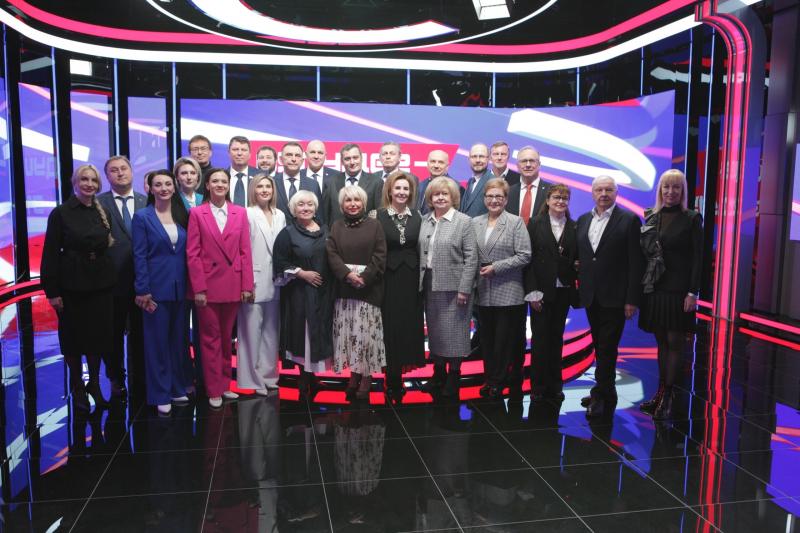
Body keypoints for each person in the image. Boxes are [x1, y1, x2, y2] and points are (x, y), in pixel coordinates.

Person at [41, 164, 117, 411]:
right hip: (72, 285)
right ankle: (77, 386)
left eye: (93, 180)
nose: (89, 184)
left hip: (101, 284)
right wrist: (52, 292)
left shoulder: (102, 210)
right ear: (75, 182)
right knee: (73, 339)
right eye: (84, 179)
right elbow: (50, 253)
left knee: (98, 338)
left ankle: (94, 384)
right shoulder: (61, 213)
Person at [577, 176, 645, 417]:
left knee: (607, 346)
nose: (603, 194)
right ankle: (607, 391)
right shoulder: (583, 220)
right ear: (592, 192)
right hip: (591, 295)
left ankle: (600, 395)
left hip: (616, 296)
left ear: (616, 193)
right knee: (600, 345)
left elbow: (636, 262)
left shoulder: (629, 220)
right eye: (599, 189)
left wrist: (632, 299)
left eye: (608, 189)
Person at [186, 168, 254, 408]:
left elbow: (245, 252)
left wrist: (247, 285)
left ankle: (225, 385)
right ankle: (213, 388)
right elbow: (192, 254)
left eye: (223, 181)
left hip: (233, 284)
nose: (219, 184)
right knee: (210, 339)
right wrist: (198, 288)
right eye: (215, 181)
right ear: (207, 185)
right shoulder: (197, 213)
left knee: (227, 338)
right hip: (207, 287)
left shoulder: (239, 212)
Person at [638, 169, 703, 420]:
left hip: (678, 291)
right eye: (666, 187)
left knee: (675, 343)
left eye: (676, 187)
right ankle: (660, 393)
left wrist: (693, 292)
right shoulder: (651, 216)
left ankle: (669, 397)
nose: (671, 192)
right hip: (655, 289)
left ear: (682, 191)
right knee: (662, 343)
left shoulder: (691, 218)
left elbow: (698, 259)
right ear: (660, 190)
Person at [132, 170, 192, 415]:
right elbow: (139, 255)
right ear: (150, 188)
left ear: (174, 187)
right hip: (155, 289)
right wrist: (142, 289)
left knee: (178, 342)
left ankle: (177, 387)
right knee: (157, 344)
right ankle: (160, 393)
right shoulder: (142, 217)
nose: (164, 188)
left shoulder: (182, 214)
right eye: (158, 184)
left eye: (168, 184)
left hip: (181, 288)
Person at [418, 176, 479, 398]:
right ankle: (438, 374)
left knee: (455, 334)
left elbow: (472, 258)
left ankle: (454, 376)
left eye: (445, 194)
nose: (440, 197)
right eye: (436, 194)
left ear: (453, 197)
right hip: (429, 284)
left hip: (456, 288)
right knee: (436, 333)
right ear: (430, 198)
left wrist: (465, 288)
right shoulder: (425, 220)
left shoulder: (464, 221)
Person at [326, 185, 388, 400]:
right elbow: (331, 254)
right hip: (344, 290)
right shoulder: (336, 226)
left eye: (357, 200)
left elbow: (380, 256)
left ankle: (366, 377)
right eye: (348, 200)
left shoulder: (375, 225)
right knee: (350, 337)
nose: (353, 204)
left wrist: (364, 278)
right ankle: (353, 376)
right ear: (341, 204)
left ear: (363, 203)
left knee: (366, 338)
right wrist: (347, 275)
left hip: (368, 290)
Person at [472, 178, 531, 399]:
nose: (494, 200)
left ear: (506, 200)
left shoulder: (515, 222)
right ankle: (490, 378)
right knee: (486, 340)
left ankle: (498, 381)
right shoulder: (475, 222)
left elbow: (524, 255)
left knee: (503, 342)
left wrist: (496, 267)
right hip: (482, 292)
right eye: (490, 196)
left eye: (499, 196)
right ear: (484, 199)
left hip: (508, 291)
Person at [273, 190, 334, 397]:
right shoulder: (287, 233)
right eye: (301, 205)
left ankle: (313, 375)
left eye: (309, 204)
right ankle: (303, 377)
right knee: (302, 333)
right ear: (293, 209)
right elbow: (280, 261)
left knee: (319, 331)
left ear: (315, 208)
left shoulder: (326, 231)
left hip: (323, 292)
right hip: (299, 293)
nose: (305, 208)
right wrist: (301, 273)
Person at [97, 155, 147, 398]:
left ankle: (141, 376)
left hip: (143, 281)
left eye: (124, 168)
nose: (120, 173)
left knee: (141, 333)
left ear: (132, 171)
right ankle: (116, 377)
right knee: (112, 334)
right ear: (107, 176)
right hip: (112, 282)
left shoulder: (147, 201)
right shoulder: (98, 203)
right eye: (114, 170)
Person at [525, 184, 580, 402]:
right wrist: (532, 292)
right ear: (547, 200)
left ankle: (555, 385)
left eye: (565, 198)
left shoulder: (574, 226)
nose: (560, 201)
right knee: (539, 340)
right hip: (540, 292)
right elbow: (528, 260)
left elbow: (576, 257)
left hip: (563, 290)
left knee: (557, 339)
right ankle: (537, 386)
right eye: (556, 197)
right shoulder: (535, 223)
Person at [376, 172, 426, 403]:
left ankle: (400, 375)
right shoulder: (377, 215)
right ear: (389, 190)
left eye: (406, 189)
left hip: (411, 279)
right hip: (388, 277)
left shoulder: (419, 216)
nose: (402, 192)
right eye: (398, 188)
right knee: (390, 325)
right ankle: (391, 376)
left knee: (407, 325)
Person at [237, 174, 286, 396]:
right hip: (253, 280)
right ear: (253, 190)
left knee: (271, 331)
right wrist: (245, 283)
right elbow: (242, 250)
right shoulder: (246, 213)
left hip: (276, 280)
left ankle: (268, 376)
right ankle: (251, 379)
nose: (265, 190)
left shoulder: (280, 214)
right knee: (250, 331)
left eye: (268, 186)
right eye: (260, 186)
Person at [322, 143, 382, 225]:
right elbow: (325, 215)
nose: (352, 162)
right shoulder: (330, 182)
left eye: (355, 158)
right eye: (347, 159)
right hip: (337, 231)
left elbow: (380, 214)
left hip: (365, 231)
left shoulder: (376, 182)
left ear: (361, 158)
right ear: (342, 161)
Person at [274, 141, 323, 222]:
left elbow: (319, 216)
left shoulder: (313, 184)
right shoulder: (272, 183)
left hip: (305, 229)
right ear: (281, 159)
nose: (293, 159)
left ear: (302, 161)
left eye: (297, 155)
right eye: (289, 155)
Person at [506, 146, 550, 225]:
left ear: (539, 164)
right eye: (524, 161)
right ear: (517, 165)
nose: (528, 164)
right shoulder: (509, 192)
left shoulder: (550, 191)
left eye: (532, 161)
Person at [417, 149, 464, 215]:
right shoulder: (420, 186)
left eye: (441, 162)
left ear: (447, 166)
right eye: (433, 161)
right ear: (427, 164)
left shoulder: (456, 187)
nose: (436, 166)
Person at [460, 143, 493, 218]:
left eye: (481, 156)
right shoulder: (471, 181)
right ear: (469, 159)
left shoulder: (494, 182)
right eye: (474, 156)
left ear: (488, 159)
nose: (477, 160)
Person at [227, 136, 259, 207]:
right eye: (235, 149)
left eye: (244, 150)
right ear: (229, 153)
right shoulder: (222, 176)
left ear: (250, 154)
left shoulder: (260, 176)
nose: (239, 153)